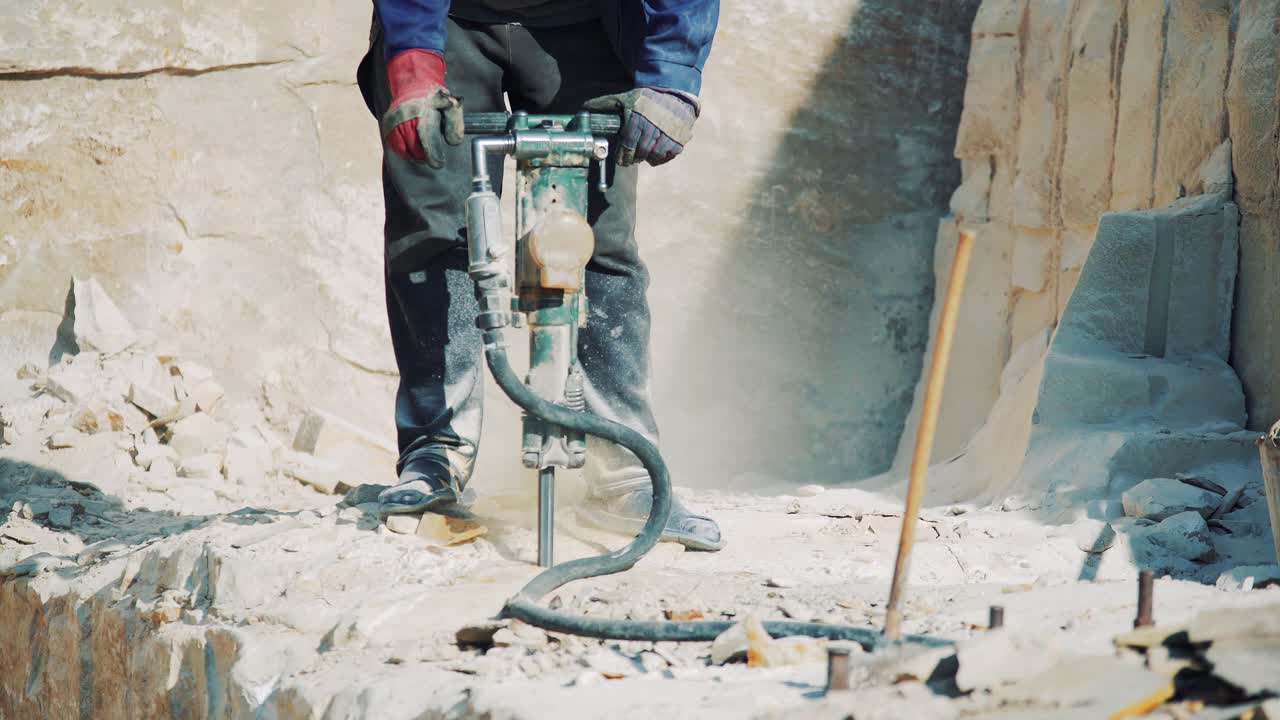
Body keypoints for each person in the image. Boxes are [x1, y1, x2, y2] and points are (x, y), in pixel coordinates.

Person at [356, 0, 724, 551]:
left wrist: (672, 75)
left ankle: (621, 468)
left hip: (592, 24)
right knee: (436, 232)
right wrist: (411, 60)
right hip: (450, 21)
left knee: (596, 237)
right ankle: (435, 453)